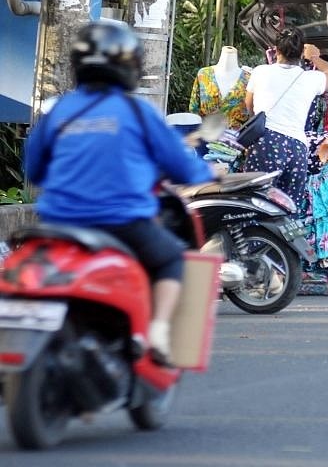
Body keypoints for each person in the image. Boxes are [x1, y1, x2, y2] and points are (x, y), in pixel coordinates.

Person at [24, 20, 217, 364]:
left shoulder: (60, 111)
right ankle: (158, 333)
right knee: (172, 257)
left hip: (56, 222)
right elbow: (183, 167)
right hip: (120, 223)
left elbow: (34, 169)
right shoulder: (137, 111)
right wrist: (208, 172)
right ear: (130, 66)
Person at [243, 27, 328, 209]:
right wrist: (314, 58)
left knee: (256, 206)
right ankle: (285, 238)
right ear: (301, 53)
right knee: (289, 210)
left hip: (266, 143)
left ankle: (256, 238)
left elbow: (248, 104)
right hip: (297, 149)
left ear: (276, 50)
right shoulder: (311, 78)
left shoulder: (260, 72)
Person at [189, 46, 250, 129]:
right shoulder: (203, 74)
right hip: (207, 136)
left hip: (237, 138)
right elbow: (194, 109)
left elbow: (253, 112)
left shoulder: (249, 79)